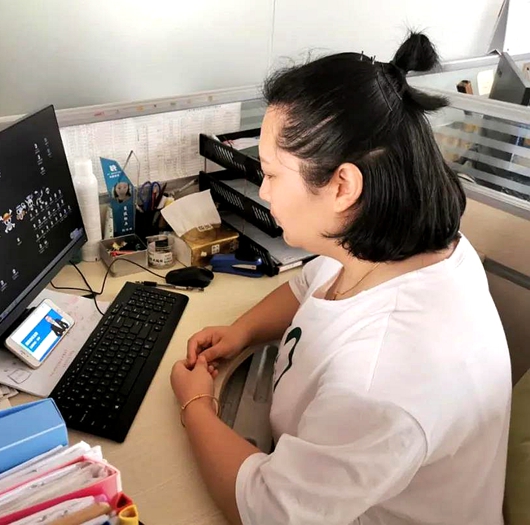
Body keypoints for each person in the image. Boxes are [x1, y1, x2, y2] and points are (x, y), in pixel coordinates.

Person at [170, 32, 511, 525]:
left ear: (343, 185)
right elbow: (307, 285)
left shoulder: (383, 381)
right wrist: (241, 332)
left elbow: (267, 511)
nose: (263, 192)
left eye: (271, 174)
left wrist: (196, 403)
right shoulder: (393, 243)